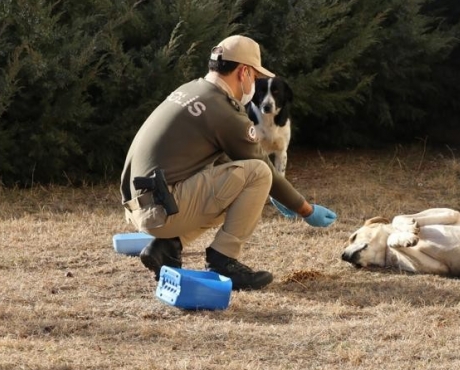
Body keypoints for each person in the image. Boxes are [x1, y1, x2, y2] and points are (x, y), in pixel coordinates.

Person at [120, 35, 337, 291]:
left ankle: (166, 247)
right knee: (257, 173)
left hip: (140, 205)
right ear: (243, 72)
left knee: (242, 184)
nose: (253, 85)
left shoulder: (191, 90)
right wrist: (306, 210)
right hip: (160, 209)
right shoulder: (222, 109)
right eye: (255, 78)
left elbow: (226, 161)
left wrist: (278, 195)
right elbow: (261, 166)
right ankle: (224, 260)